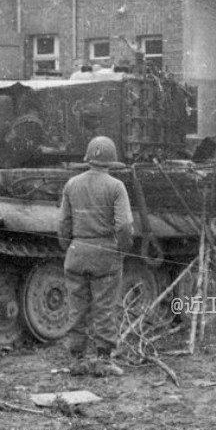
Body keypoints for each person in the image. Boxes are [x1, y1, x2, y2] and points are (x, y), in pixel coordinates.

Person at [58, 136, 134, 377]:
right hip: (105, 253)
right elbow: (124, 226)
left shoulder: (71, 184)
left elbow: (62, 223)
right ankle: (103, 360)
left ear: (88, 158)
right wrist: (121, 250)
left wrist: (69, 247)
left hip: (77, 251)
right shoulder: (115, 186)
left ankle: (77, 360)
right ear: (110, 161)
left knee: (76, 307)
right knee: (104, 307)